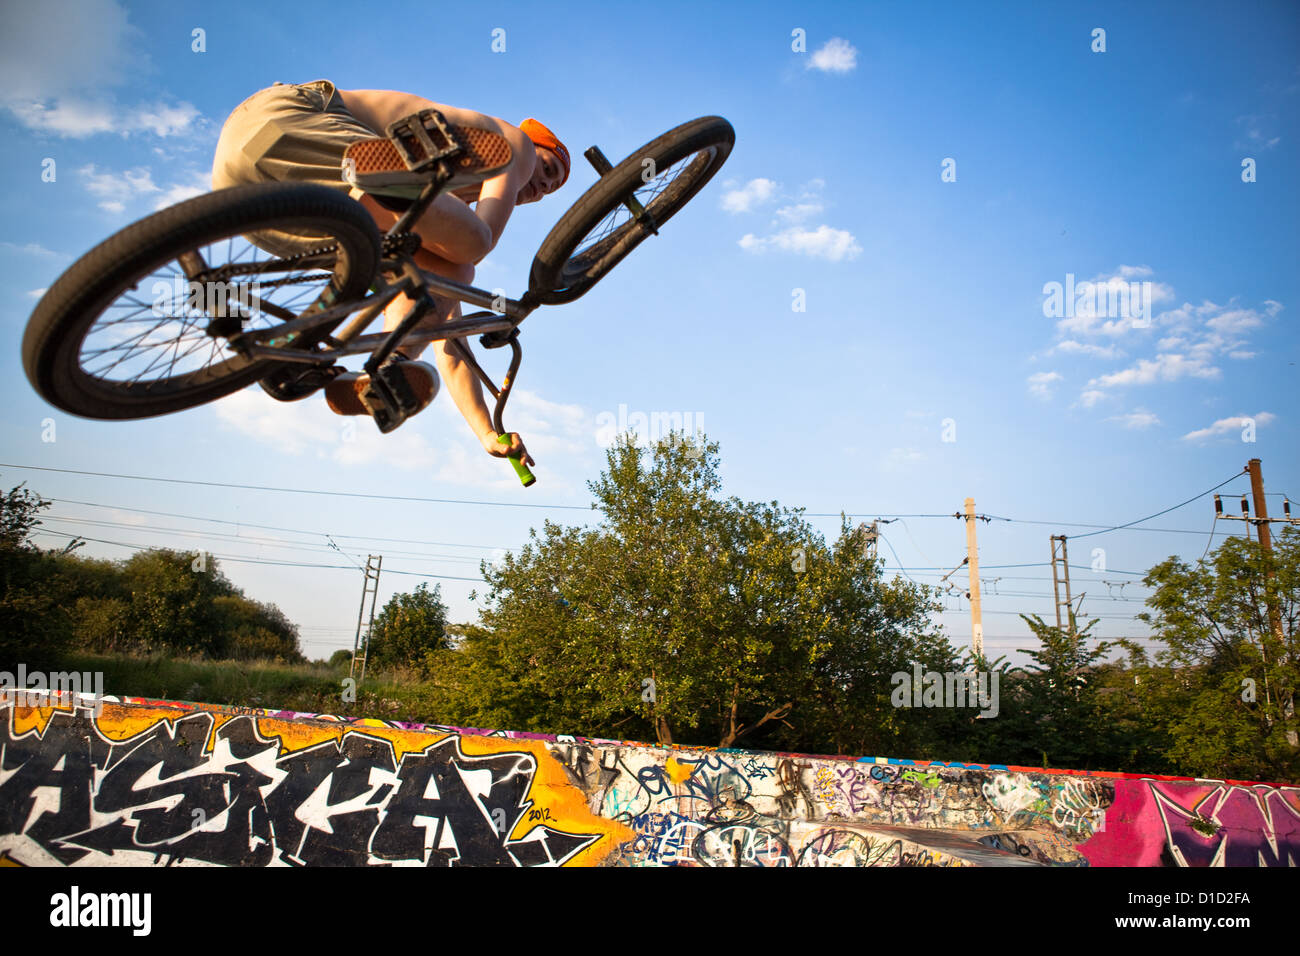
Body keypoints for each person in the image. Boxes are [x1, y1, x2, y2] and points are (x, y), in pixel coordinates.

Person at [212, 80, 572, 469]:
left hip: (243, 186)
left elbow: (446, 336)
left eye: (549, 191)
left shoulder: (432, 216)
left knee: (433, 282)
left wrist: (486, 433)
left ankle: (329, 355)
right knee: (473, 245)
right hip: (294, 123)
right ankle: (387, 177)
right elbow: (481, 239)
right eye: (547, 168)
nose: (542, 187)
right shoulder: (514, 143)